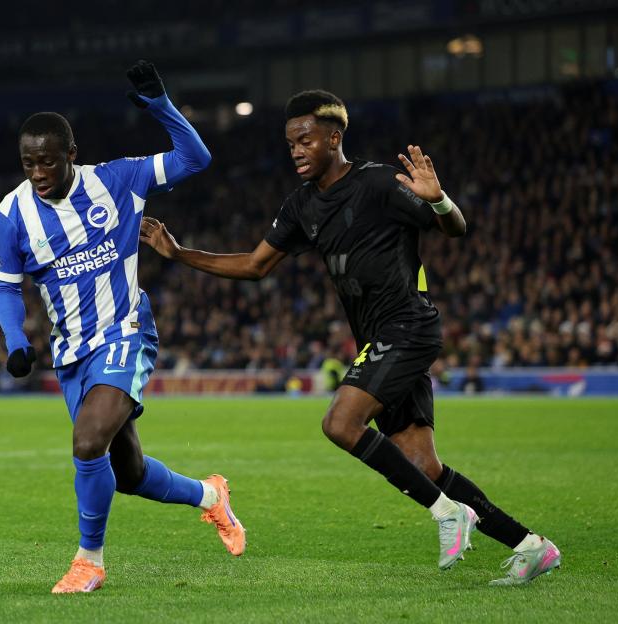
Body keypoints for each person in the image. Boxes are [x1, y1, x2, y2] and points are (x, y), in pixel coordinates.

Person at [140, 90, 561, 586]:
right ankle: (530, 546)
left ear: (333, 138)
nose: (295, 150)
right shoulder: (300, 205)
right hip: (378, 336)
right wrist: (181, 253)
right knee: (422, 465)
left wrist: (440, 200)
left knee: (340, 423)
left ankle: (448, 512)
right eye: (290, 142)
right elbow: (255, 265)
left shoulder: (380, 183)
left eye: (305, 140)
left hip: (408, 324)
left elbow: (455, 228)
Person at [0, 60, 245, 594]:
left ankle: (90, 562)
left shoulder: (118, 179)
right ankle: (210, 495)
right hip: (70, 351)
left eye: (47, 162)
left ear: (71, 156)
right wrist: (16, 341)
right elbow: (6, 286)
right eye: (28, 163)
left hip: (124, 329)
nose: (37, 173)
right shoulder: (12, 213)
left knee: (87, 443)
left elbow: (195, 158)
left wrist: (161, 106)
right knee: (126, 472)